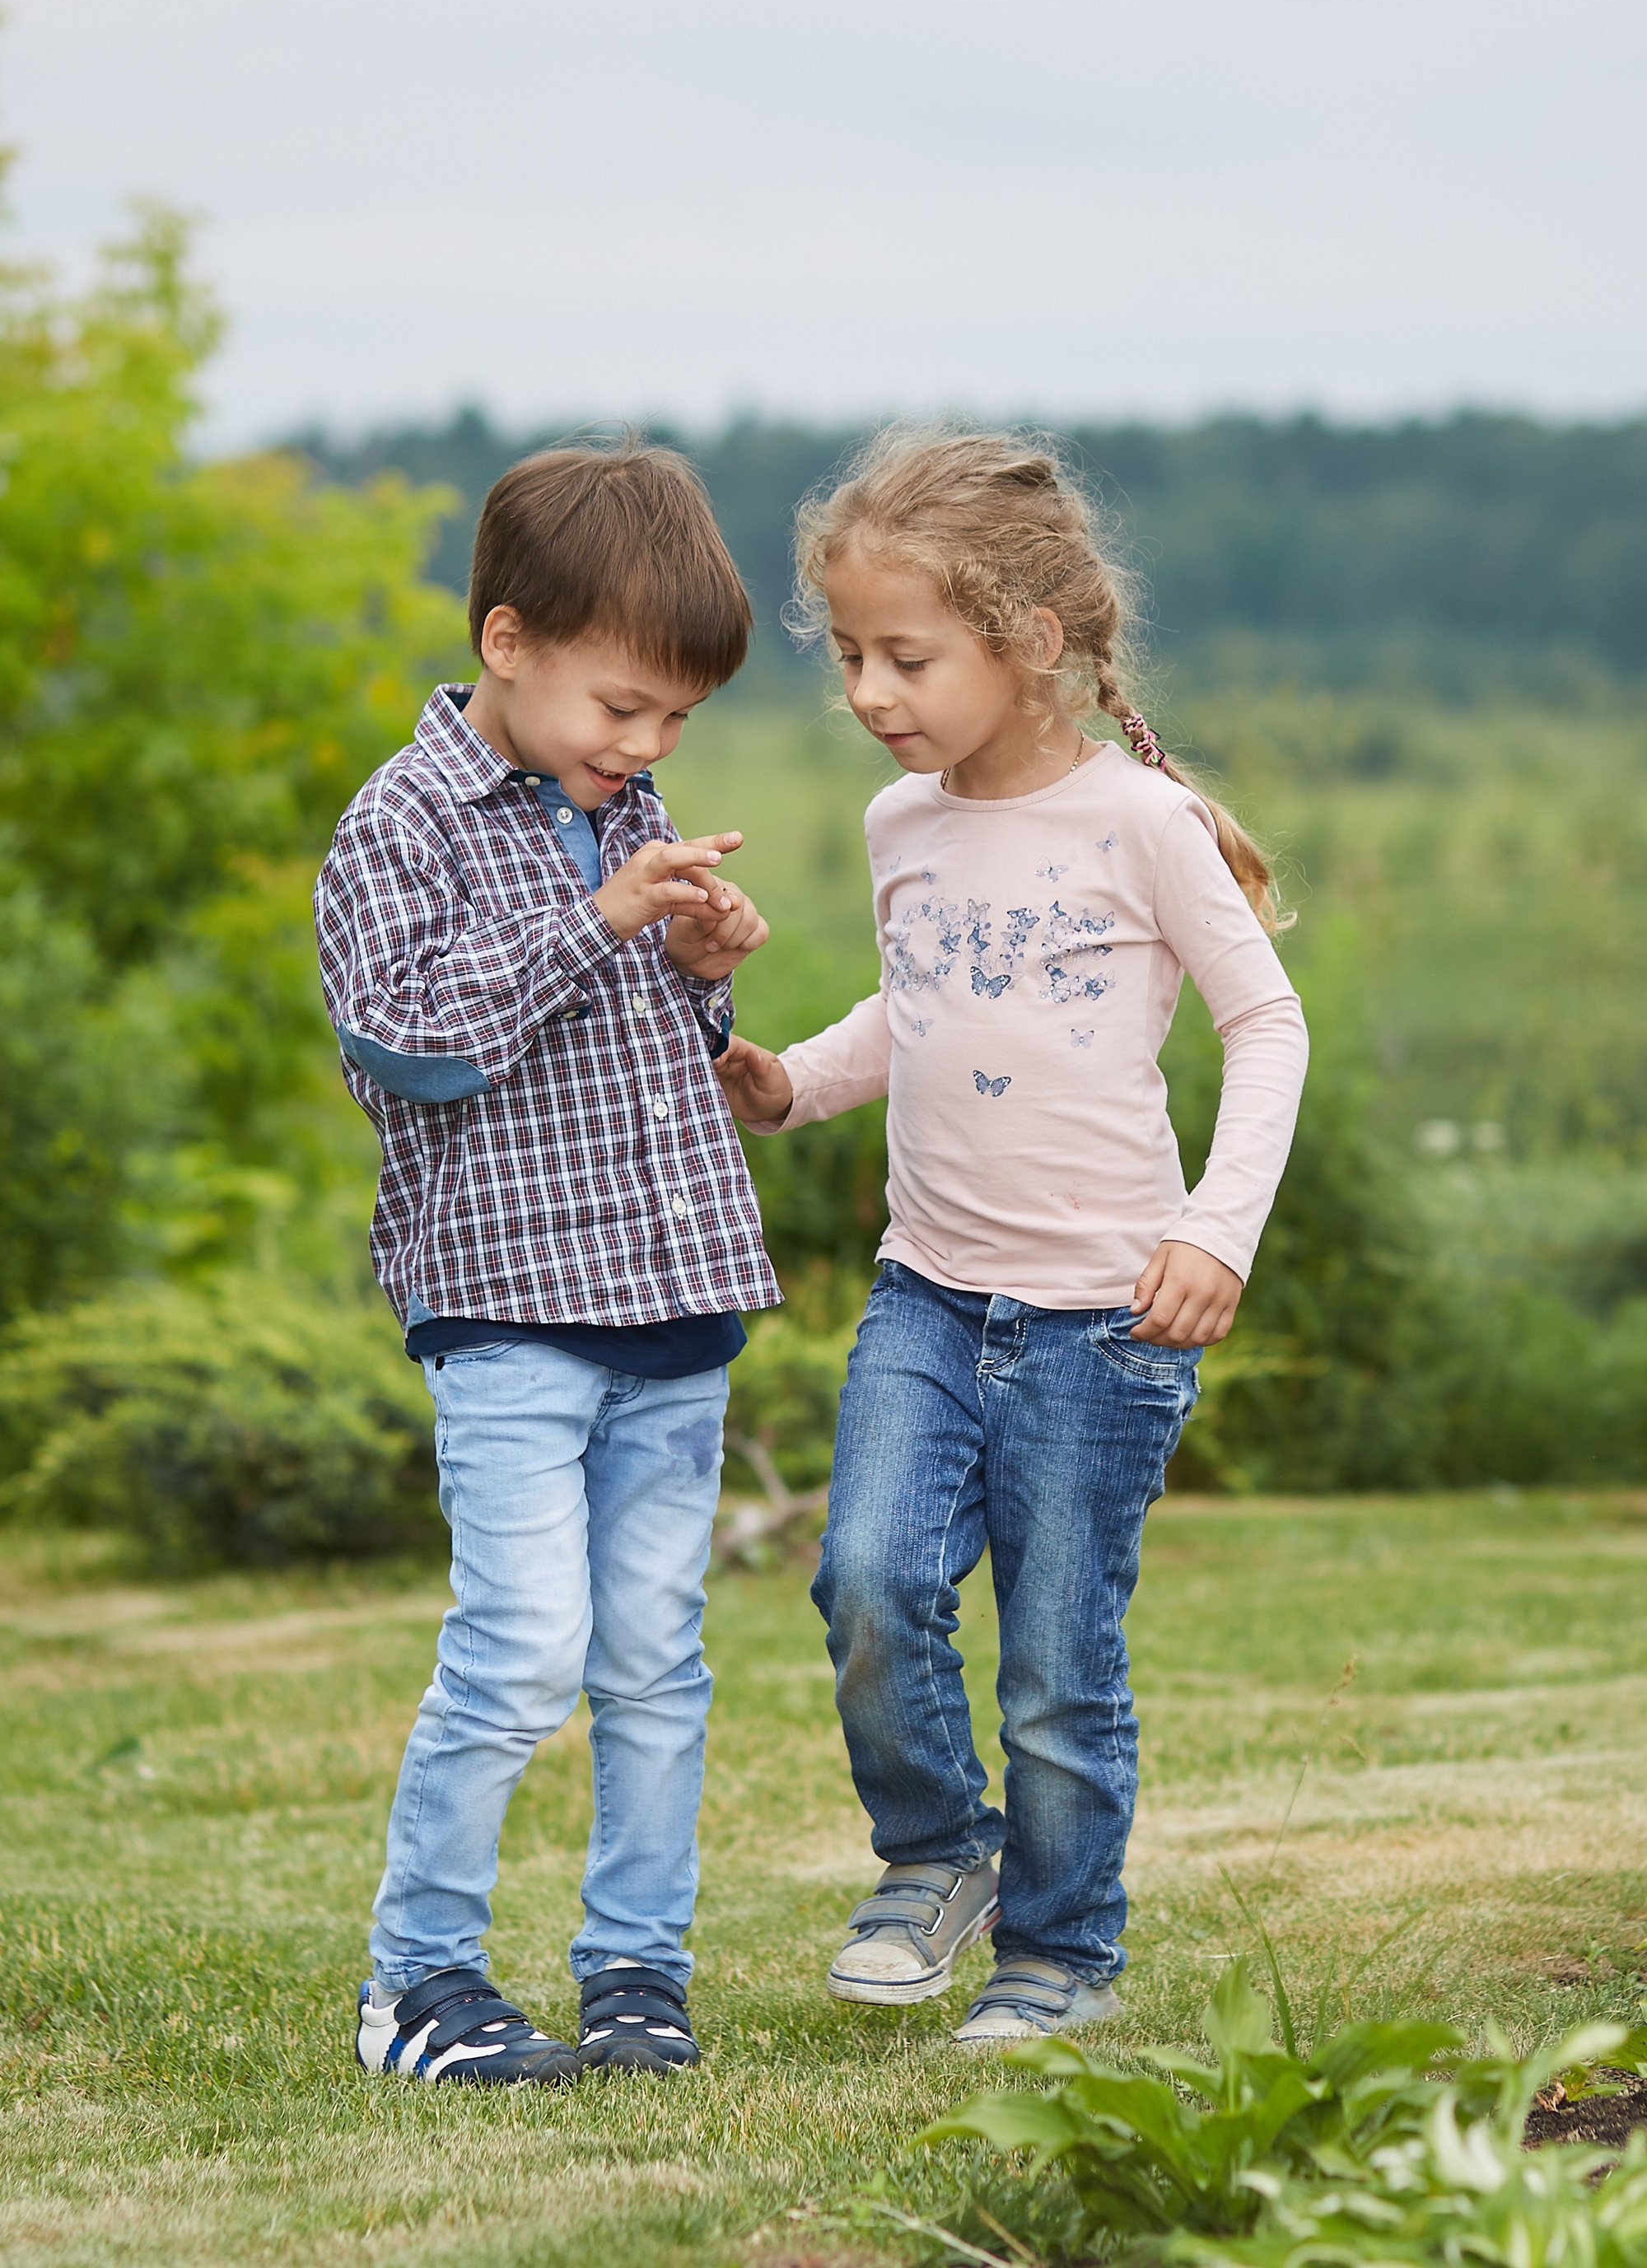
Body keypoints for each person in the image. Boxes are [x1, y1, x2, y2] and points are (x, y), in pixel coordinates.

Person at [715, 428, 1309, 2047]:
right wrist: (789, 1086)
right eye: (848, 655)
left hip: (1098, 1325)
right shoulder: (901, 824)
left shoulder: (1140, 826)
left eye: (905, 655)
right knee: (866, 1579)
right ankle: (936, 1856)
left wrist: (1216, 1232)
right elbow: (918, 1013)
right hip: (927, 1295)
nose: (868, 690)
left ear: (1032, 642)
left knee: (1055, 1666)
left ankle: (1058, 1957)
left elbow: (1267, 1027)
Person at [314, 441, 782, 2084]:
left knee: (656, 1657)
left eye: (673, 722)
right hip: (507, 1312)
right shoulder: (403, 824)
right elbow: (411, 1049)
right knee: (522, 1649)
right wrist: (596, 927)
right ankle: (417, 1983)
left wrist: (700, 969)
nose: (644, 747)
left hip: (666, 1303)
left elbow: (640, 1053)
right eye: (620, 707)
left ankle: (636, 1970)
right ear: (508, 643)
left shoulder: (620, 807)